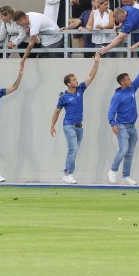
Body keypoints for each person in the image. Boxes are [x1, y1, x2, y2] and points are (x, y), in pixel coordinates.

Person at [107, 49, 139, 185]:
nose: (130, 80)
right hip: (122, 127)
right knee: (123, 150)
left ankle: (126, 176)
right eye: (128, 79)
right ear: (122, 82)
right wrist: (113, 124)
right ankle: (112, 170)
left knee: (130, 153)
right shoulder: (117, 96)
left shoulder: (132, 88)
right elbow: (111, 112)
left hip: (132, 127)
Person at [50, 54, 101, 185]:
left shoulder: (80, 90)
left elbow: (91, 76)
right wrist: (52, 125)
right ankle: (67, 174)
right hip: (69, 126)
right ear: (68, 83)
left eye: (76, 79)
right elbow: (56, 112)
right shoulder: (64, 97)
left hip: (79, 127)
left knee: (74, 150)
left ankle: (68, 173)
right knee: (73, 149)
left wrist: (96, 62)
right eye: (74, 80)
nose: (76, 81)